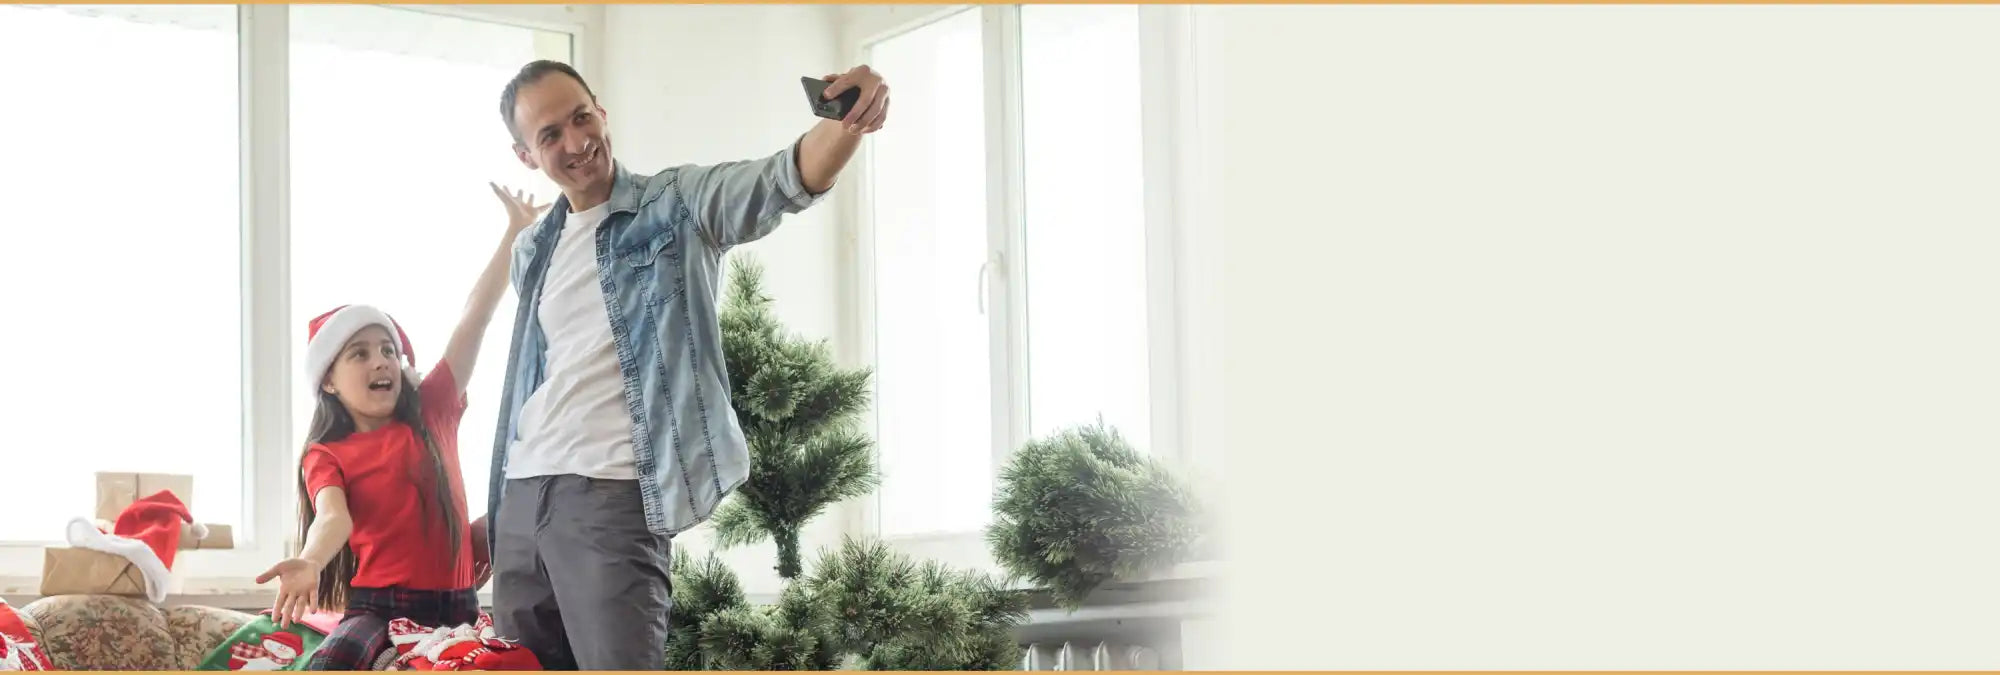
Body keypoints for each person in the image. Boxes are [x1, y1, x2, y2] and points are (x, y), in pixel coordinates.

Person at [483, 60, 889, 670]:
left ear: (601, 113)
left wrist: (847, 119)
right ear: (525, 155)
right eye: (551, 135)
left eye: (582, 117)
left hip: (610, 494)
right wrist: (504, 506)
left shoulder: (675, 204)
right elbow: (544, 375)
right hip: (521, 499)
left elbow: (783, 179)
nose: (576, 141)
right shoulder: (532, 250)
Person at [258, 185, 550, 670]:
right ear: (328, 381)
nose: (381, 362)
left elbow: (474, 319)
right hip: (378, 607)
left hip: (458, 608)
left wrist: (514, 233)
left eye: (388, 350)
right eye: (360, 354)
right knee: (331, 665)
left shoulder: (433, 409)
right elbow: (333, 518)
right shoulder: (327, 453)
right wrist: (310, 561)